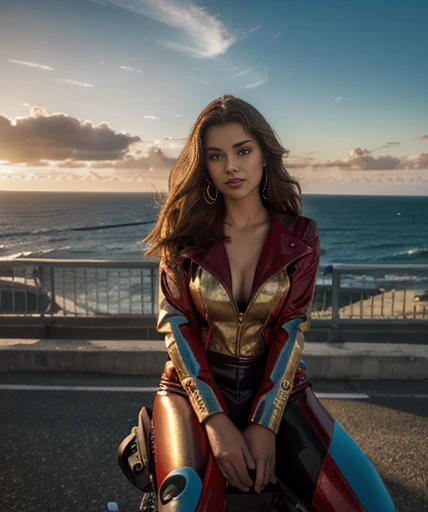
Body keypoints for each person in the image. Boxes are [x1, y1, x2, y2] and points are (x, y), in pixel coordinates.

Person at [131, 94, 398, 511]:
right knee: (185, 507)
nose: (231, 166)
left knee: (371, 506)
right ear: (204, 165)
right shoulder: (183, 234)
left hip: (278, 390)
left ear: (264, 154)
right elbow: (176, 324)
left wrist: (264, 422)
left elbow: (291, 329)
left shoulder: (301, 235)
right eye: (216, 156)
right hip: (189, 390)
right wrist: (215, 420)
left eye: (243, 151)